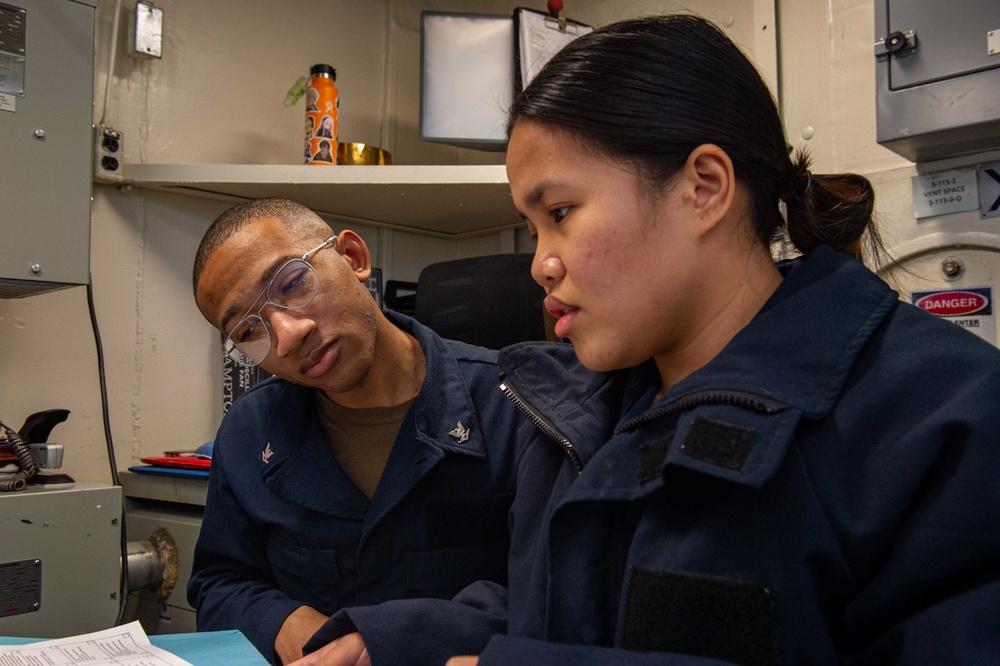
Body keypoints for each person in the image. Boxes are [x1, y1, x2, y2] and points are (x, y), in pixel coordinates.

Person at [294, 14, 1000, 666]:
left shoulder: (943, 419)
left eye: (562, 212)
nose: (541, 261)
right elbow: (574, 606)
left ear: (704, 187)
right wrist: (389, 640)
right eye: (533, 227)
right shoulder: (569, 410)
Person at [186, 198, 522, 665]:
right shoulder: (249, 431)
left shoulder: (516, 406)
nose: (287, 336)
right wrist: (280, 620)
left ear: (354, 258)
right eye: (248, 331)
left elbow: (558, 594)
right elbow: (219, 581)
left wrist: (385, 639)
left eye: (292, 283)